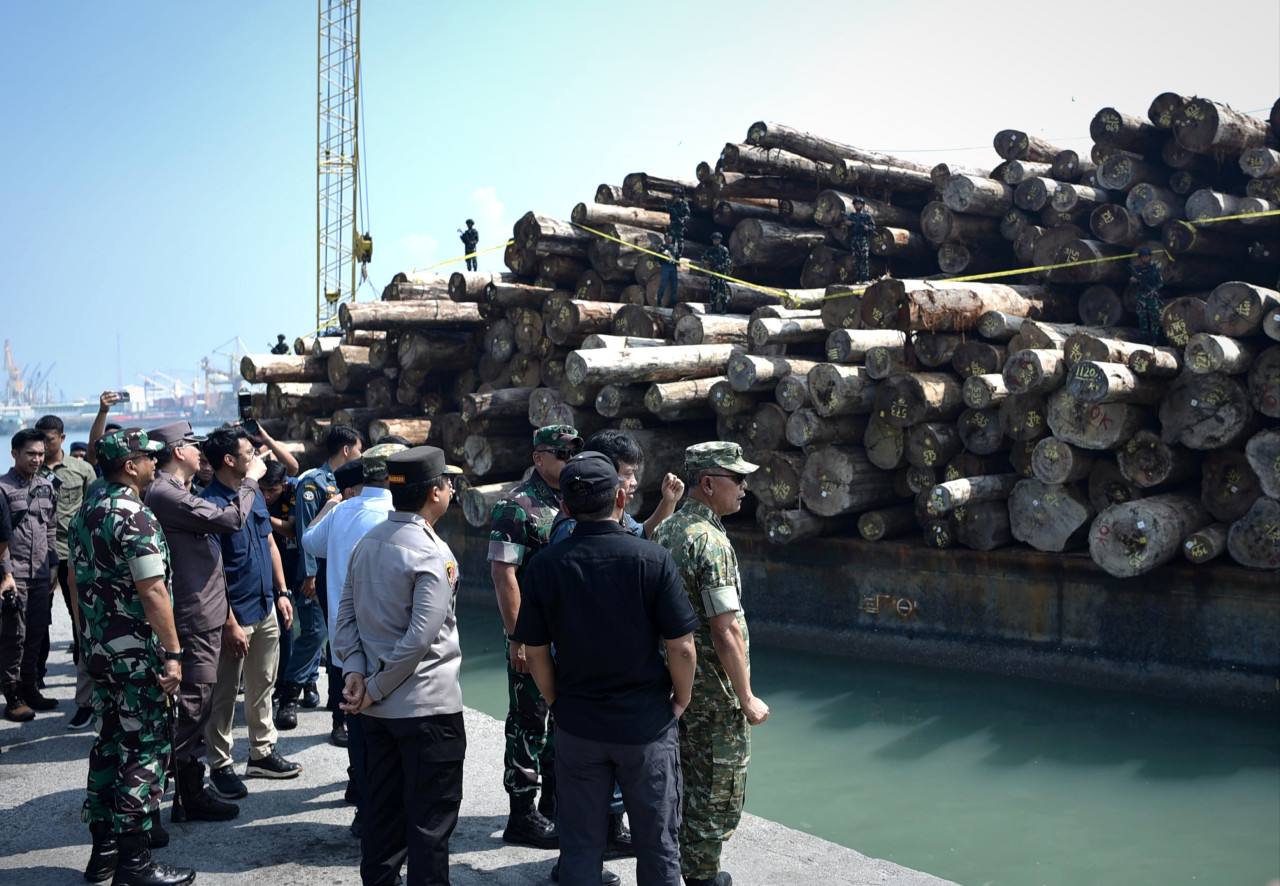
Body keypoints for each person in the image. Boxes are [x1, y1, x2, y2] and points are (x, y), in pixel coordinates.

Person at [517, 452, 698, 886]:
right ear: (620, 497)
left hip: (578, 725)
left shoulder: (545, 566)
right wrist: (681, 700)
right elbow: (682, 648)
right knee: (658, 846)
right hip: (646, 725)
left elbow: (535, 652)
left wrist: (557, 702)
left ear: (565, 507)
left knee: (580, 847)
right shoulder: (653, 559)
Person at [68, 427, 195, 886]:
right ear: (129, 466)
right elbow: (153, 589)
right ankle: (135, 863)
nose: (154, 463)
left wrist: (88, 638)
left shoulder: (85, 513)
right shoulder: (134, 516)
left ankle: (103, 853)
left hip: (101, 652)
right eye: (148, 457)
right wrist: (174, 653)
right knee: (145, 748)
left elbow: (74, 582)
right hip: (139, 657)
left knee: (107, 743)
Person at [335, 445, 466, 886]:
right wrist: (373, 686)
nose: (451, 490)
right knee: (430, 827)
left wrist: (356, 674)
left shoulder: (368, 542)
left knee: (381, 820)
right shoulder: (432, 552)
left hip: (375, 714)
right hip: (427, 711)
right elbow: (419, 639)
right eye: (448, 483)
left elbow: (345, 616)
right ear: (434, 492)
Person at [650, 442, 771, 886]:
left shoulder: (666, 530)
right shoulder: (711, 542)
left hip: (674, 688)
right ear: (707, 483)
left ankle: (680, 867)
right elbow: (725, 630)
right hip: (714, 697)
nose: (744, 487)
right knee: (718, 790)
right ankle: (701, 876)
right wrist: (746, 697)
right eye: (736, 479)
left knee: (680, 783)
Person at [144, 420, 267, 824]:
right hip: (194, 616)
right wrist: (251, 480)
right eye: (193, 445)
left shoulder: (178, 490)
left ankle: (186, 791)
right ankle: (172, 797)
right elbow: (230, 520)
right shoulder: (167, 493)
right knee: (193, 708)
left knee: (199, 705)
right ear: (179, 451)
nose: (200, 452)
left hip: (205, 612)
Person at [489, 424, 583, 849]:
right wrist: (519, 638)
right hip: (533, 636)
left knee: (563, 720)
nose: (569, 462)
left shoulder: (576, 500)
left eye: (574, 454)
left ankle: (552, 802)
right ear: (539, 457)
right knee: (529, 723)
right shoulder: (516, 506)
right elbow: (503, 575)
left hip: (569, 636)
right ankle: (522, 813)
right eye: (562, 455)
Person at [199, 426, 300, 800]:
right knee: (224, 693)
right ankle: (220, 764)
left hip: (265, 604)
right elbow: (210, 572)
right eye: (249, 452)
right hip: (234, 615)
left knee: (263, 684)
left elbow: (269, 541)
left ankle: (261, 752)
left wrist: (282, 592)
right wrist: (228, 622)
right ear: (229, 460)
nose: (256, 457)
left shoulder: (253, 492)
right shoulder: (208, 505)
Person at [281, 424, 363, 745]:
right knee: (314, 632)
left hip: (339, 571)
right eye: (358, 448)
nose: (360, 454)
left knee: (337, 637)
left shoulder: (347, 483)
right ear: (346, 449)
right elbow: (306, 531)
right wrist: (310, 575)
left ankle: (334, 697)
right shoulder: (314, 483)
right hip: (317, 573)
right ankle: (289, 694)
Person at [36, 414, 98, 718]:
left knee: (80, 619)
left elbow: (92, 509)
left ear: (61, 438)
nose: (42, 445)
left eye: (48, 439)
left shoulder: (81, 469)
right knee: (37, 620)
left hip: (74, 553)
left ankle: (83, 681)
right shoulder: (31, 470)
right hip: (40, 556)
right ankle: (34, 679)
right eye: (39, 438)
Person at [1, 428, 58, 722]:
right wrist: (6, 573)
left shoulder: (47, 487)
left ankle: (30, 687)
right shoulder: (2, 489)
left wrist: (53, 565)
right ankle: (12, 696)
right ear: (14, 454)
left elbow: (50, 527)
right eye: (30, 454)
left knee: (36, 633)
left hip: (40, 573)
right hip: (14, 574)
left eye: (40, 454)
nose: (37, 459)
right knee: (14, 636)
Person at [260, 460, 300, 716]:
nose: (265, 495)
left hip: (296, 564)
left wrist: (264, 517)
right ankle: (282, 682)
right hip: (272, 566)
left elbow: (292, 530)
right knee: (284, 629)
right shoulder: (254, 492)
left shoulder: (295, 490)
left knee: (301, 627)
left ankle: (301, 682)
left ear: (283, 486)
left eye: (271, 491)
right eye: (262, 489)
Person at [1130, 246, 1165, 345]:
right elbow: (1131, 283)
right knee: (1142, 318)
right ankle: (1144, 338)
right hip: (1142, 296)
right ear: (1140, 258)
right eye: (1143, 257)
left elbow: (1160, 282)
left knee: (1154, 318)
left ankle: (1154, 338)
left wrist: (1154, 290)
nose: (1145, 258)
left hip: (1152, 296)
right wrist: (1133, 281)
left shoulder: (1155, 268)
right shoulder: (1138, 270)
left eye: (1147, 256)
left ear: (1150, 257)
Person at [843, 196, 876, 284]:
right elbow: (844, 224)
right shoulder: (852, 216)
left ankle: (865, 279)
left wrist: (868, 228)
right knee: (856, 259)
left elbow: (873, 227)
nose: (857, 205)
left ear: (862, 205)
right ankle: (858, 279)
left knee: (864, 258)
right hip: (854, 239)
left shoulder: (867, 216)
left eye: (859, 204)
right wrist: (847, 223)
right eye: (856, 204)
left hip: (863, 238)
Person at [702, 233, 732, 315]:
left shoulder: (723, 249)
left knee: (722, 291)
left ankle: (724, 308)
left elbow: (728, 261)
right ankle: (713, 308)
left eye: (717, 240)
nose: (716, 241)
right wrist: (706, 262)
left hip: (721, 273)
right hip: (713, 272)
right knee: (713, 291)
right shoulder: (710, 250)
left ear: (720, 240)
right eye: (714, 240)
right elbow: (703, 258)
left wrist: (722, 266)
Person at [654, 233, 681, 309]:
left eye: (670, 238)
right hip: (666, 266)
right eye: (668, 238)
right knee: (663, 284)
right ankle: (659, 300)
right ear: (665, 239)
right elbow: (656, 257)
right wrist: (661, 255)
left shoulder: (675, 248)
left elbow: (677, 258)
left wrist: (677, 262)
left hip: (673, 267)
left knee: (674, 285)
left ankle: (672, 302)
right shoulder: (662, 247)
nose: (669, 239)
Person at [666, 187, 690, 254]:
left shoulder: (684, 203)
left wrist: (683, 220)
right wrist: (673, 204)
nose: (676, 196)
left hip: (680, 223)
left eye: (677, 194)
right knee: (671, 238)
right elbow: (667, 210)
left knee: (680, 240)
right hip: (673, 222)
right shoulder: (671, 202)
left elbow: (688, 214)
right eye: (674, 194)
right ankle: (672, 252)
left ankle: (679, 254)